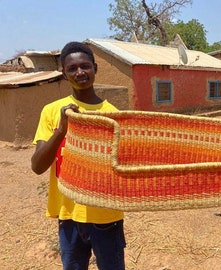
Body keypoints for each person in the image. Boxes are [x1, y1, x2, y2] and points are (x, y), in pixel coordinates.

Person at [31, 41, 126, 270]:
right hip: (69, 214)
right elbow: (37, 165)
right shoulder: (52, 111)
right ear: (64, 74)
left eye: (85, 66)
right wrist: (62, 129)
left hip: (106, 215)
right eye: (72, 68)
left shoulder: (113, 116)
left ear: (95, 68)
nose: (80, 72)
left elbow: (122, 167)